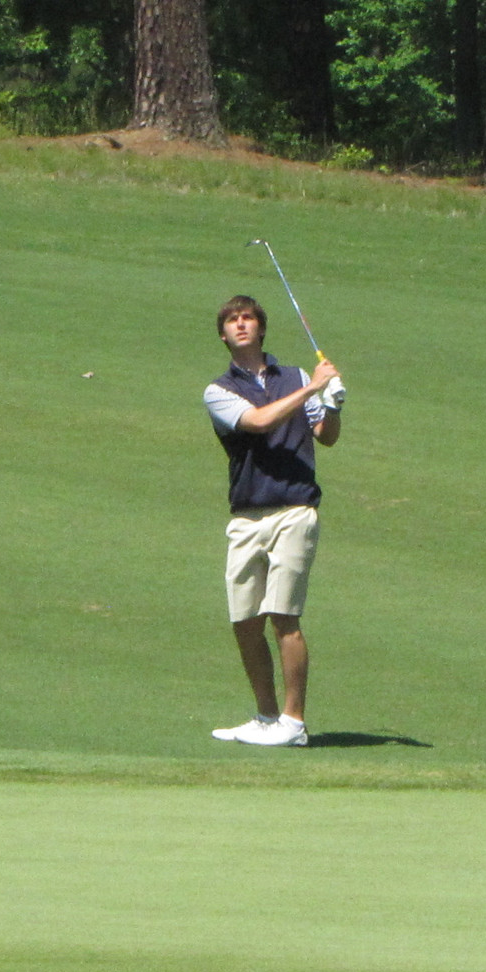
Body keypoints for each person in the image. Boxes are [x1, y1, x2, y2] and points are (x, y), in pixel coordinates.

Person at [202, 294, 342, 746]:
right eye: (231, 321)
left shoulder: (297, 376)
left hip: (295, 510)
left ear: (261, 328)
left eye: (248, 318)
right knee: (244, 620)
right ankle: (265, 717)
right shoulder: (218, 391)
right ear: (222, 334)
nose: (241, 325)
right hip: (247, 515)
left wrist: (333, 405)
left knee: (283, 614)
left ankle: (293, 723)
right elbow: (259, 422)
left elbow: (326, 436)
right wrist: (312, 389)